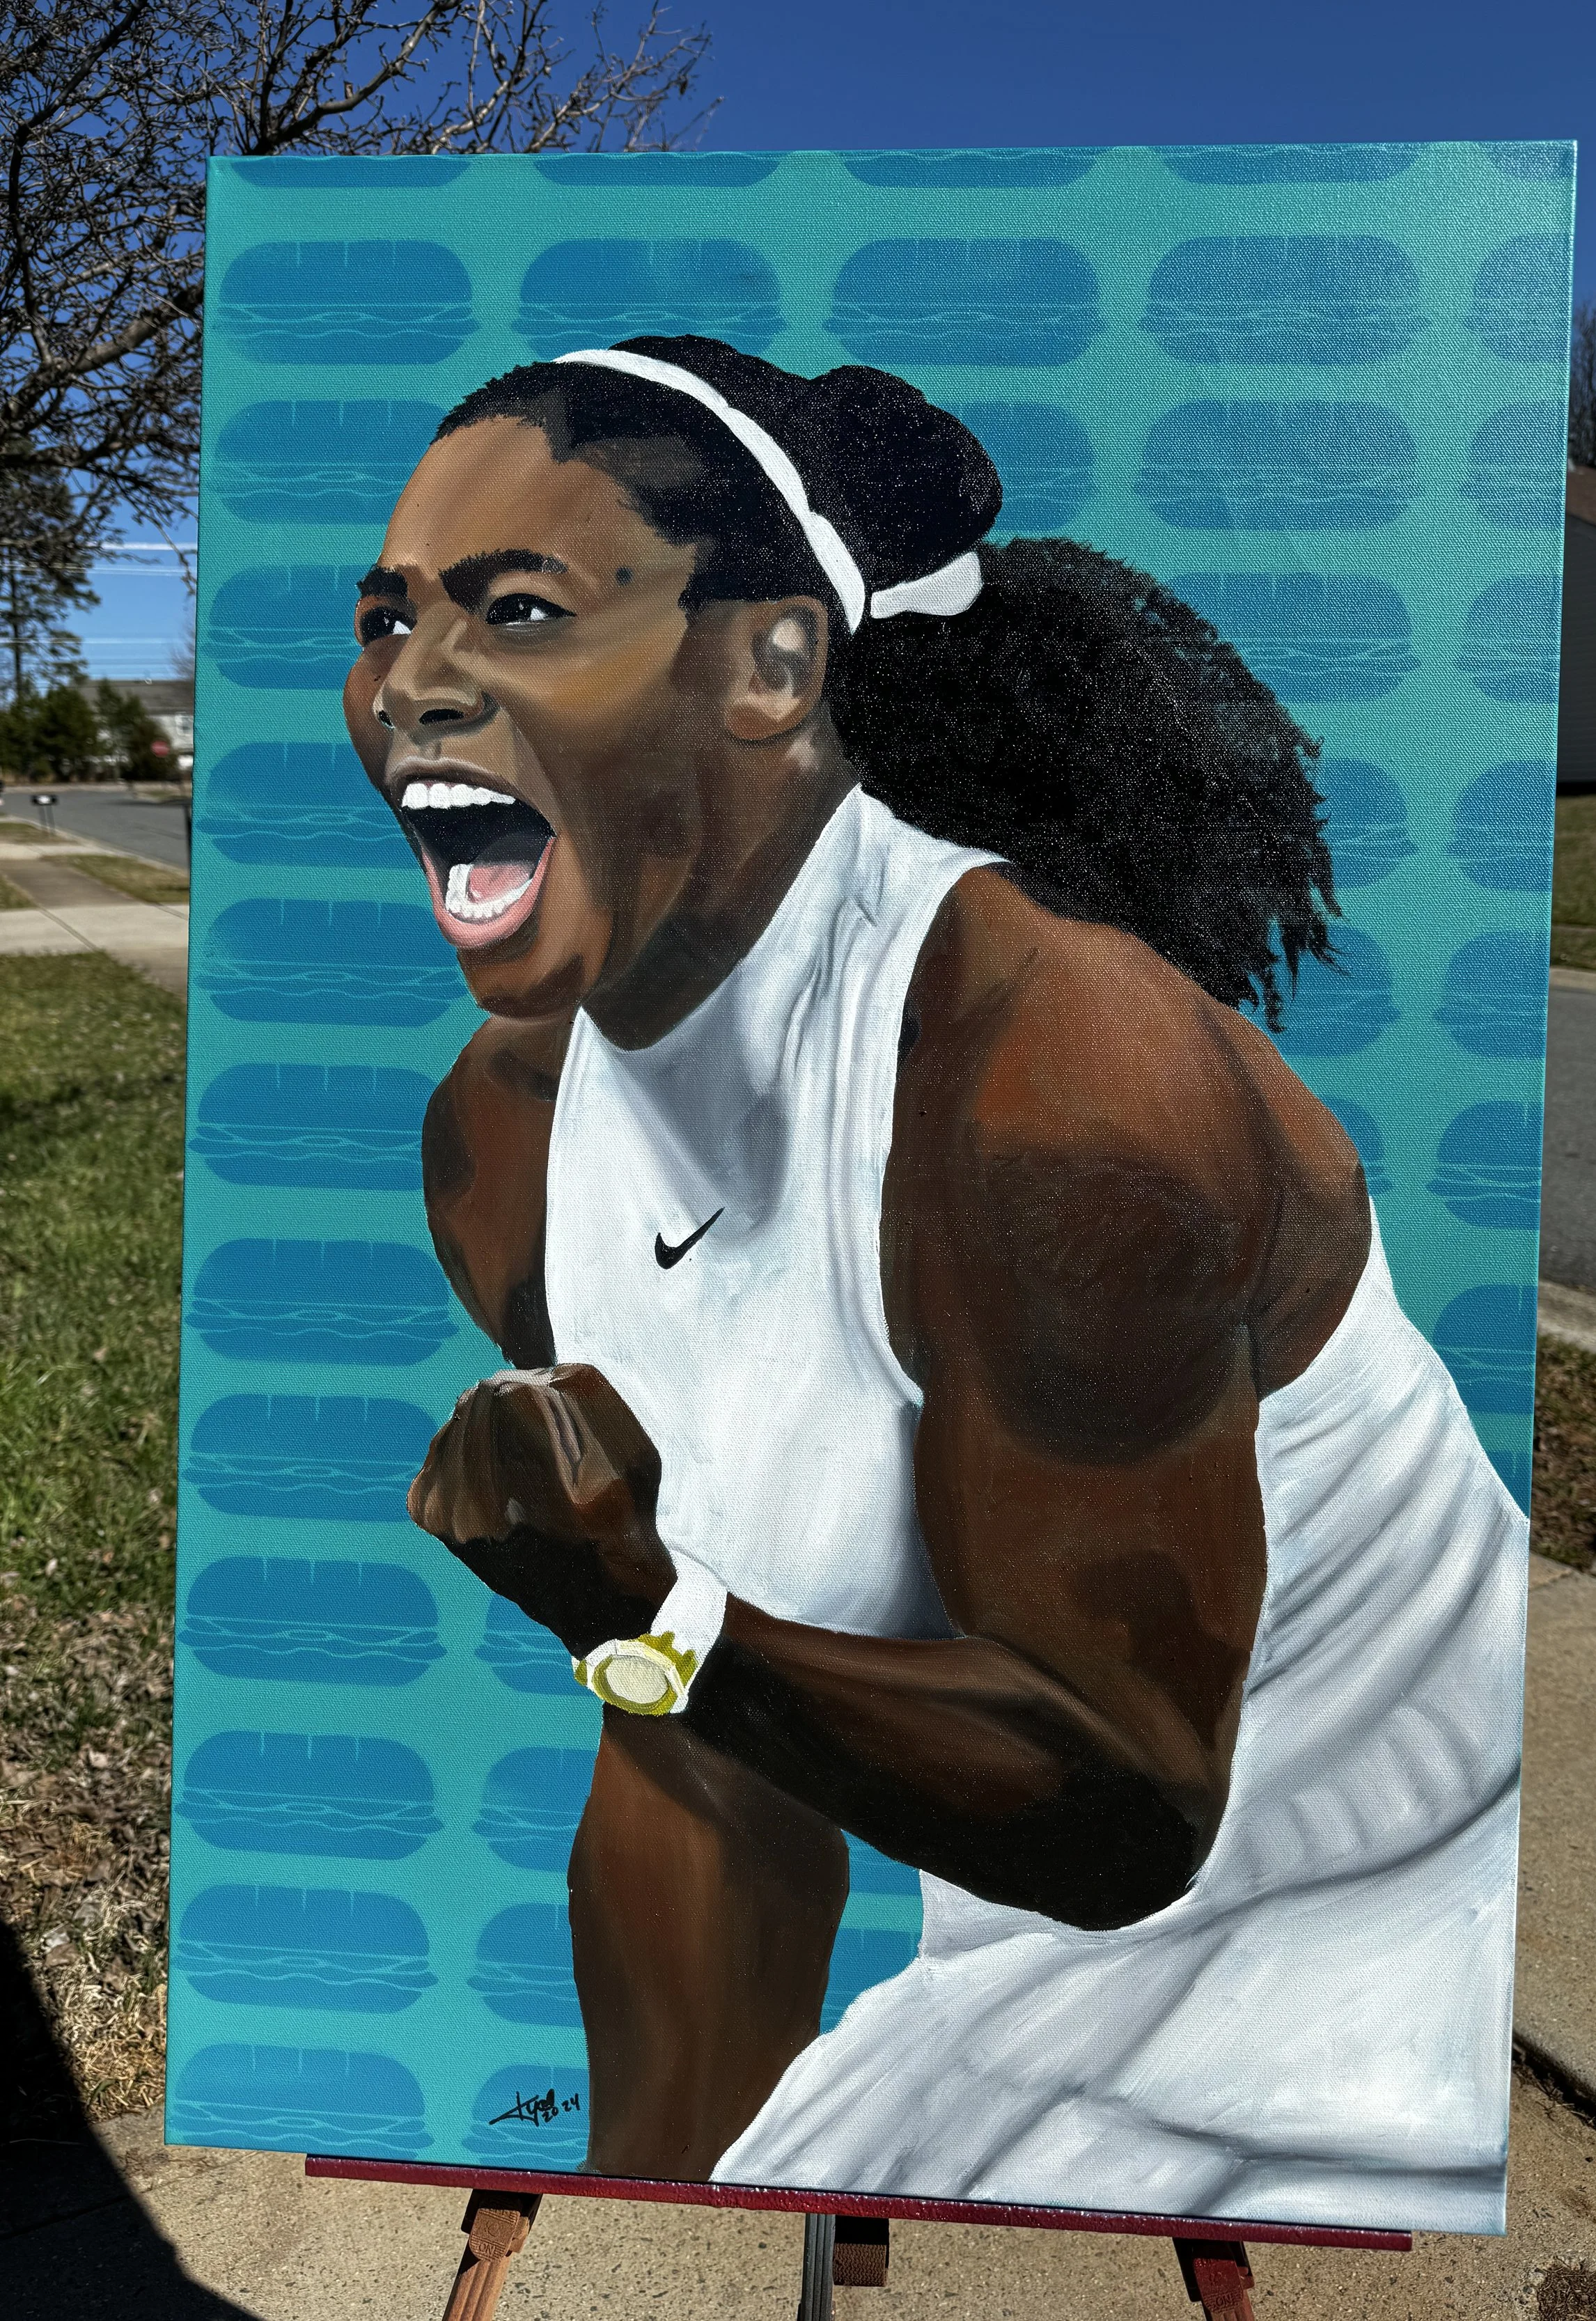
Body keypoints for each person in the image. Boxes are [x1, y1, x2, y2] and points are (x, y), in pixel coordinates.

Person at [342, 338, 1528, 2233]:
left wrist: (646, 1605)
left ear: (774, 664)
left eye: (521, 608)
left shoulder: (1064, 1082)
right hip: (1017, 1974)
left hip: (1361, 1974)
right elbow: (704, 1753)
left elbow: (1126, 1800)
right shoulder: (501, 1149)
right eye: (385, 614)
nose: (412, 680)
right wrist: (649, 2217)